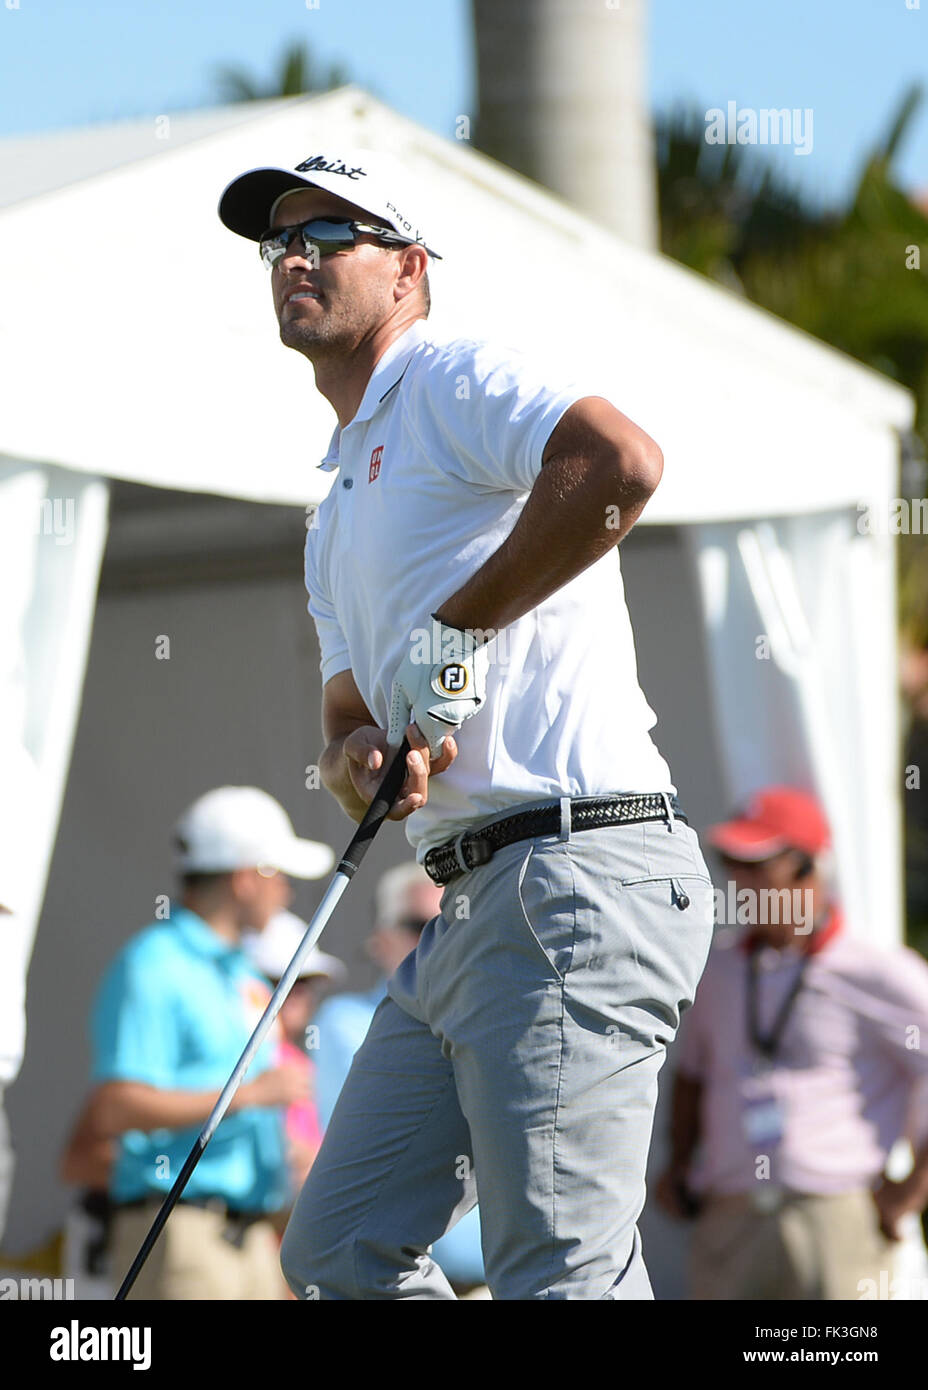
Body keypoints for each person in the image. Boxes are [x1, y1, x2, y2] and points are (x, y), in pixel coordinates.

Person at [218, 147, 715, 1300]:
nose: (295, 255)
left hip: (576, 869)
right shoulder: (333, 504)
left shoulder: (449, 373)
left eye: (330, 234)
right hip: (469, 902)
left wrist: (452, 635)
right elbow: (347, 726)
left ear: (408, 269)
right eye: (280, 240)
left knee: (559, 1275)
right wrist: (359, 760)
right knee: (338, 1248)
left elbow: (617, 465)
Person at [656, 786, 928, 1300]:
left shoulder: (874, 969)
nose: (738, 879)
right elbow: (692, 1073)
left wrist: (910, 1191)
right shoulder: (719, 968)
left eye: (756, 863)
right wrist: (678, 1164)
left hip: (832, 1215)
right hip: (730, 1213)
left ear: (809, 870)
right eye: (731, 861)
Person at [71, 785, 334, 1300]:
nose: (285, 890)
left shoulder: (238, 971)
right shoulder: (154, 963)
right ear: (244, 878)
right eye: (276, 873)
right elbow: (114, 1108)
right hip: (180, 1230)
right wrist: (255, 1095)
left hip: (250, 1235)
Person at [313, 862, 487, 1292]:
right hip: (394, 1281)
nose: (437, 940)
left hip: (496, 1283)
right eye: (419, 925)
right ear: (379, 939)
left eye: (451, 924)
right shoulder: (342, 1023)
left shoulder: (488, 1021)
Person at [243, 910, 345, 1202]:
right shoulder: (231, 1056)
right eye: (280, 980)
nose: (296, 994)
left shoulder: (298, 1061)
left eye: (306, 983)